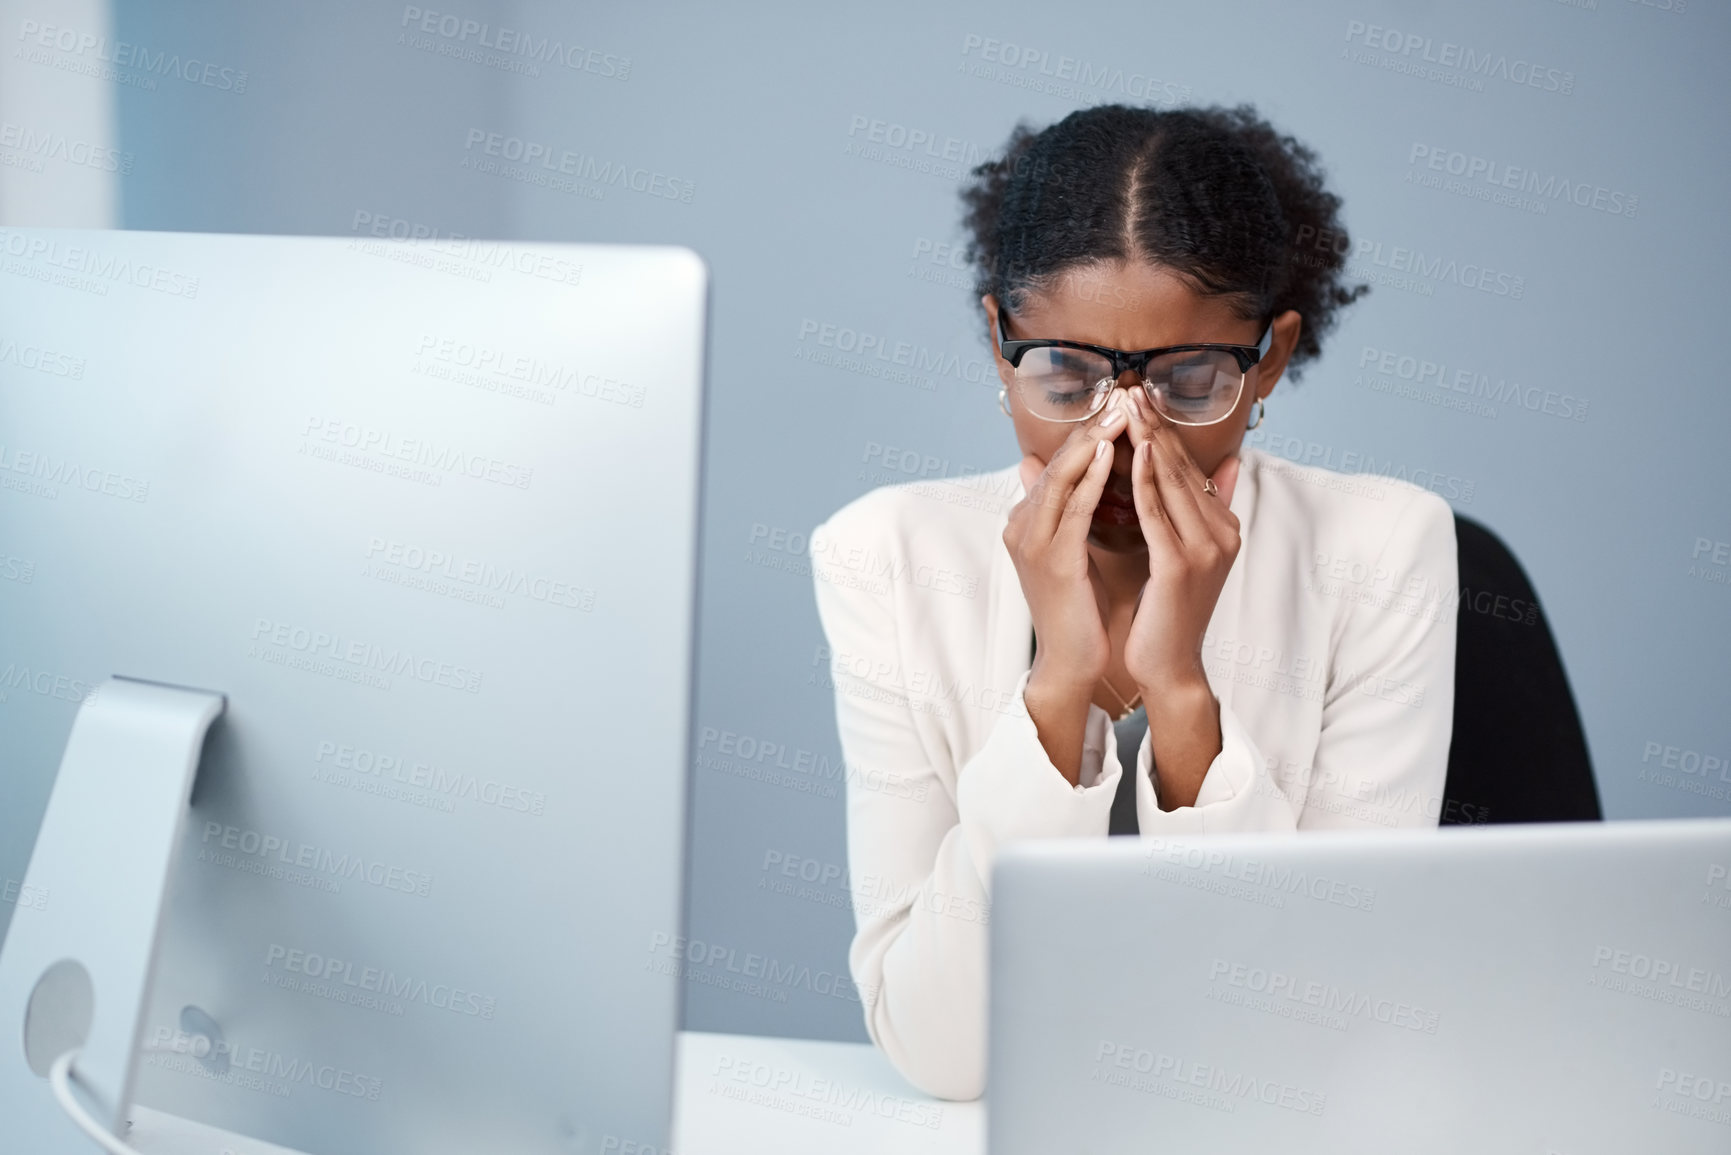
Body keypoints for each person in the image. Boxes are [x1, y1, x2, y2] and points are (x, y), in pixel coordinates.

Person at [808, 103, 1457, 1101]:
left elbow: (1311, 1034)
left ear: (1269, 358)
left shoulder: (1382, 550)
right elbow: (943, 1054)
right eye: (1067, 376)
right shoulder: (882, 558)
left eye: (1187, 378)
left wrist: (1183, 700)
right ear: (998, 342)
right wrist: (1058, 687)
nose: (1120, 432)